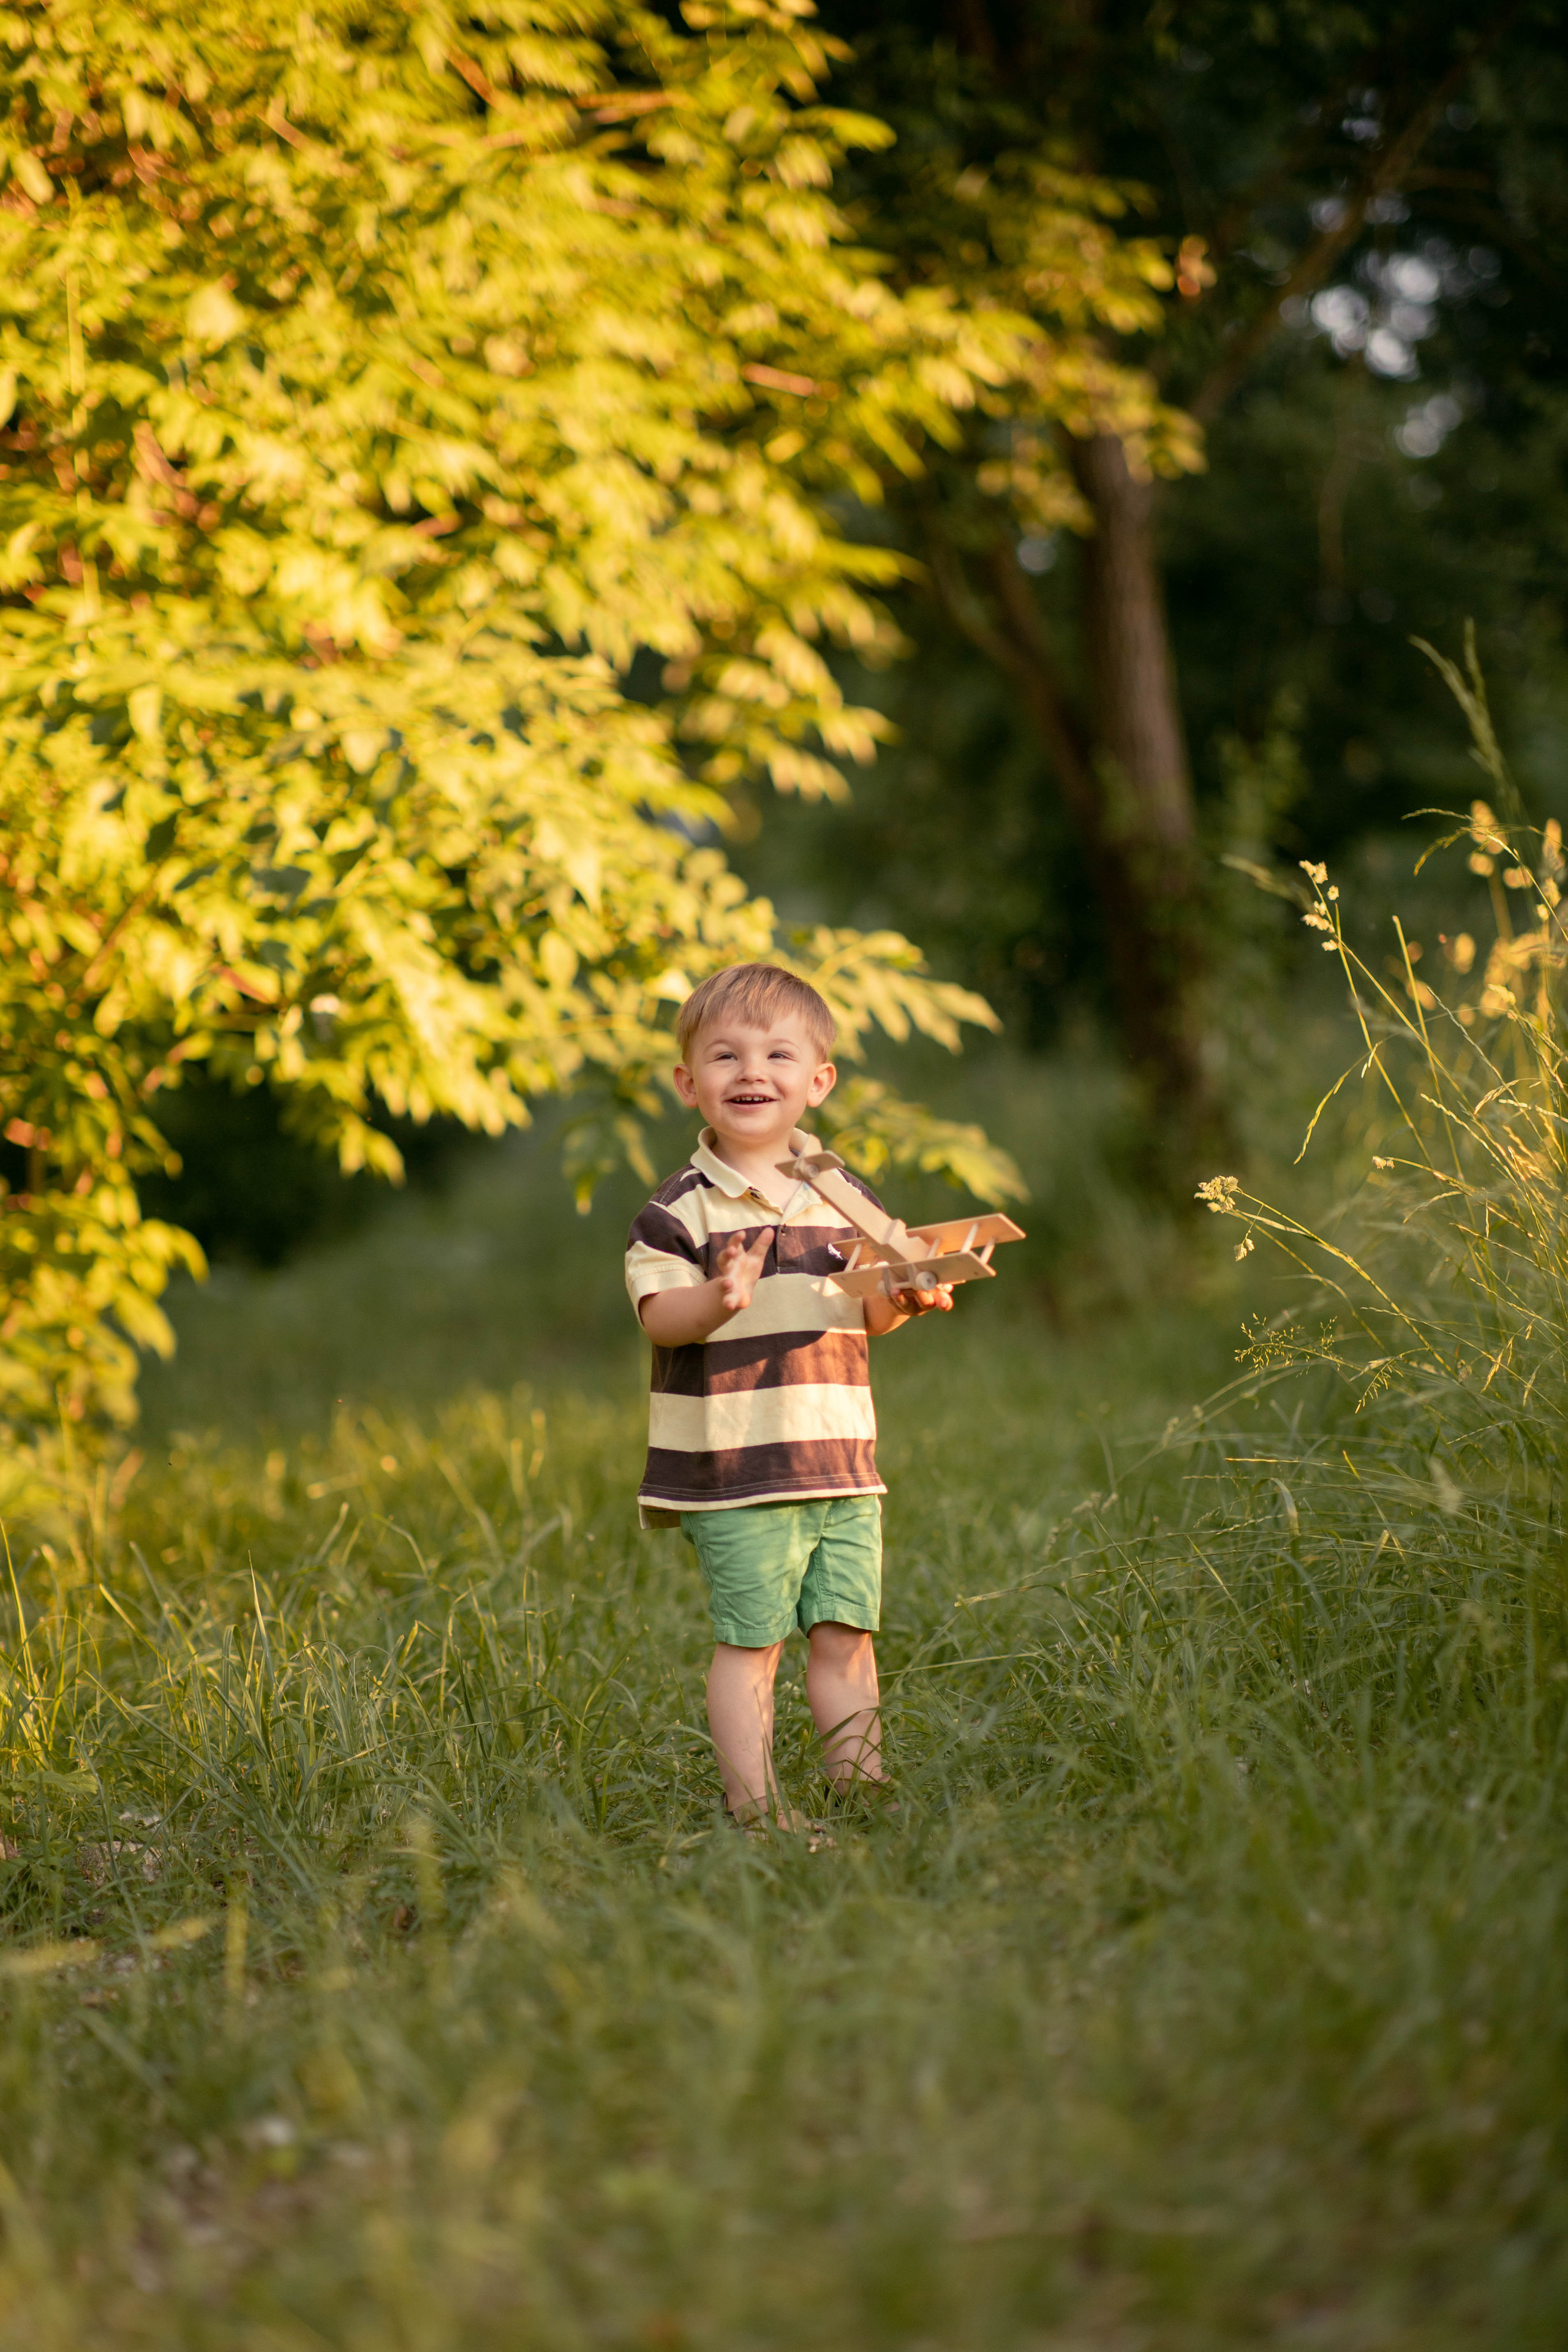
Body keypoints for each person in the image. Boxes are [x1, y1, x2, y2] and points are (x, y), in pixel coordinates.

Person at [625, 962, 953, 1830]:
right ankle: (757, 1810)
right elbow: (661, 1318)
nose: (752, 1073)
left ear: (818, 1081)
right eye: (726, 1057)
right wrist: (719, 1296)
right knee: (754, 1643)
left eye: (777, 1055)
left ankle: (863, 1789)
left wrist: (908, 1296)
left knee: (847, 1637)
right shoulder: (680, 1211)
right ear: (688, 1082)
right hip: (739, 1465)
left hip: (841, 1458)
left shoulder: (844, 1195)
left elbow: (872, 1310)